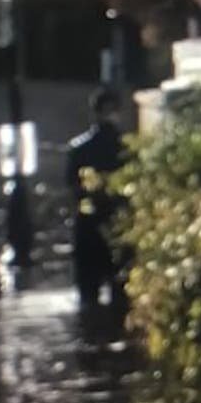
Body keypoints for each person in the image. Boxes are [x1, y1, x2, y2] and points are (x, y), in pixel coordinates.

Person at [65, 87, 127, 326]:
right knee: (121, 296)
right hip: (119, 225)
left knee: (87, 298)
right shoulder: (126, 148)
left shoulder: (78, 148)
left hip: (87, 225)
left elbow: (72, 187)